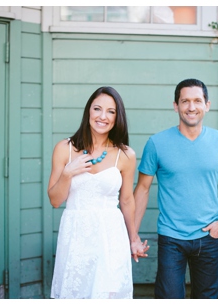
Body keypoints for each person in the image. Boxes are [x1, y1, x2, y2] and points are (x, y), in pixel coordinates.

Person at [133, 78, 218, 299]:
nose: (191, 107)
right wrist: (132, 234)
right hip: (171, 237)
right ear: (176, 106)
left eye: (197, 101)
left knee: (207, 298)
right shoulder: (157, 143)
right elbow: (142, 189)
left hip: (209, 236)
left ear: (207, 105)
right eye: (185, 101)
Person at [48, 86, 149, 299]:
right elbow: (55, 201)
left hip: (110, 234)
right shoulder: (64, 148)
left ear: (117, 117)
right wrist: (67, 173)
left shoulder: (125, 155)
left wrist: (133, 238)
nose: (103, 116)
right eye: (97, 109)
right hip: (75, 234)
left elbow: (127, 200)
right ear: (88, 112)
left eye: (111, 111)